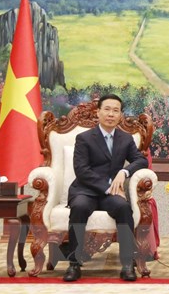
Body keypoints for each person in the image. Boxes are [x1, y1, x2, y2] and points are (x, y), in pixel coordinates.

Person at [63, 93, 149, 282]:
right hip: (86, 189)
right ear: (98, 112)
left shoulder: (125, 139)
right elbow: (82, 171)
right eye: (107, 109)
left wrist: (124, 172)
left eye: (115, 111)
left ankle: (127, 264)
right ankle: (74, 264)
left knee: (123, 208)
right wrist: (109, 187)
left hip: (111, 195)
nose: (111, 114)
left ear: (120, 115)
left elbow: (141, 160)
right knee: (79, 207)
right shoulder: (84, 138)